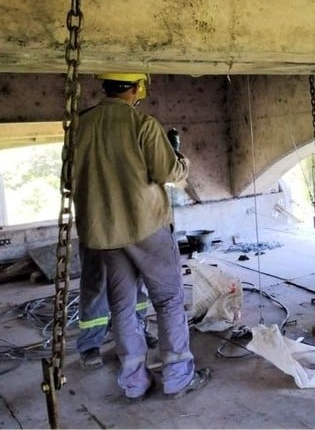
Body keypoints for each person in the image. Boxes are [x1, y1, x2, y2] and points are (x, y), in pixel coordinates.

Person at [72, 72, 210, 401]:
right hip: (146, 226)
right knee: (168, 299)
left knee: (122, 306)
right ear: (136, 87)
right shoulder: (142, 124)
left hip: (105, 232)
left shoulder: (81, 125)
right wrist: (182, 160)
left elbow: (69, 179)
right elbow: (168, 172)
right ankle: (177, 376)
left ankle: (134, 381)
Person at [75, 243, 158, 370]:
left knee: (134, 278)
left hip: (131, 231)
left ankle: (135, 328)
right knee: (97, 282)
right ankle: (89, 345)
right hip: (98, 233)